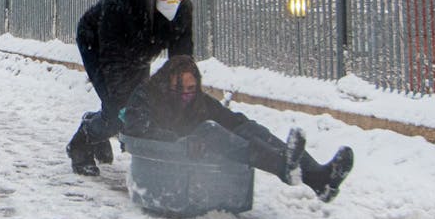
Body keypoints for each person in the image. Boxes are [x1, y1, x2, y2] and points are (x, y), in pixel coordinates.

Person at [122, 56, 355, 202]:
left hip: (201, 148)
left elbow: (231, 120)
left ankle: (319, 179)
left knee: (248, 129)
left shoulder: (198, 101)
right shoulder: (147, 96)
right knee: (210, 130)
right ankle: (283, 166)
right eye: (179, 89)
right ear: (166, 84)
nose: (186, 95)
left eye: (191, 89)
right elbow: (137, 126)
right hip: (165, 159)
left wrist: (249, 128)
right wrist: (177, 140)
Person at [66, 0, 195, 176]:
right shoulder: (121, 3)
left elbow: (181, 60)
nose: (173, 0)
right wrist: (118, 103)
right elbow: (112, 60)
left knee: (138, 105)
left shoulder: (182, 11)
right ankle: (81, 143)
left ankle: (97, 122)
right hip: (98, 44)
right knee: (119, 112)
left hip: (140, 52)